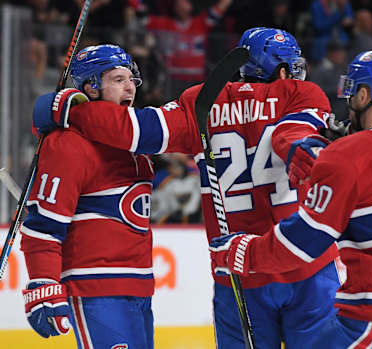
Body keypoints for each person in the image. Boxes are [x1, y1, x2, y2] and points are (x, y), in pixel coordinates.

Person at [33, 28, 340, 348]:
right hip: (306, 264)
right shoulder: (300, 93)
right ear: (282, 69)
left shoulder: (201, 101)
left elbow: (134, 129)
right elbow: (294, 136)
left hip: (236, 270)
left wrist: (69, 107)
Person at [209, 51, 372, 348]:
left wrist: (242, 250)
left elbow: (300, 243)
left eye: (351, 91)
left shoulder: (346, 157)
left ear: (363, 95)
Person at [21, 45, 156, 348]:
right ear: (91, 87)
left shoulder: (134, 139)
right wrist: (43, 280)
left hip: (139, 286)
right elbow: (43, 226)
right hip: (95, 289)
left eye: (132, 80)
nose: (130, 87)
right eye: (118, 79)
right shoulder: (69, 143)